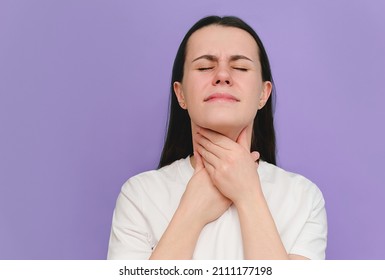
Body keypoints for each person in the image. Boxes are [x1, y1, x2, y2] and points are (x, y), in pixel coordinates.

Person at [107, 15, 327, 260]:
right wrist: (192, 211)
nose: (222, 75)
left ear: (263, 95)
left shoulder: (303, 197)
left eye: (241, 68)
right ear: (181, 95)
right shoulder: (139, 195)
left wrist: (248, 195)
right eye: (204, 67)